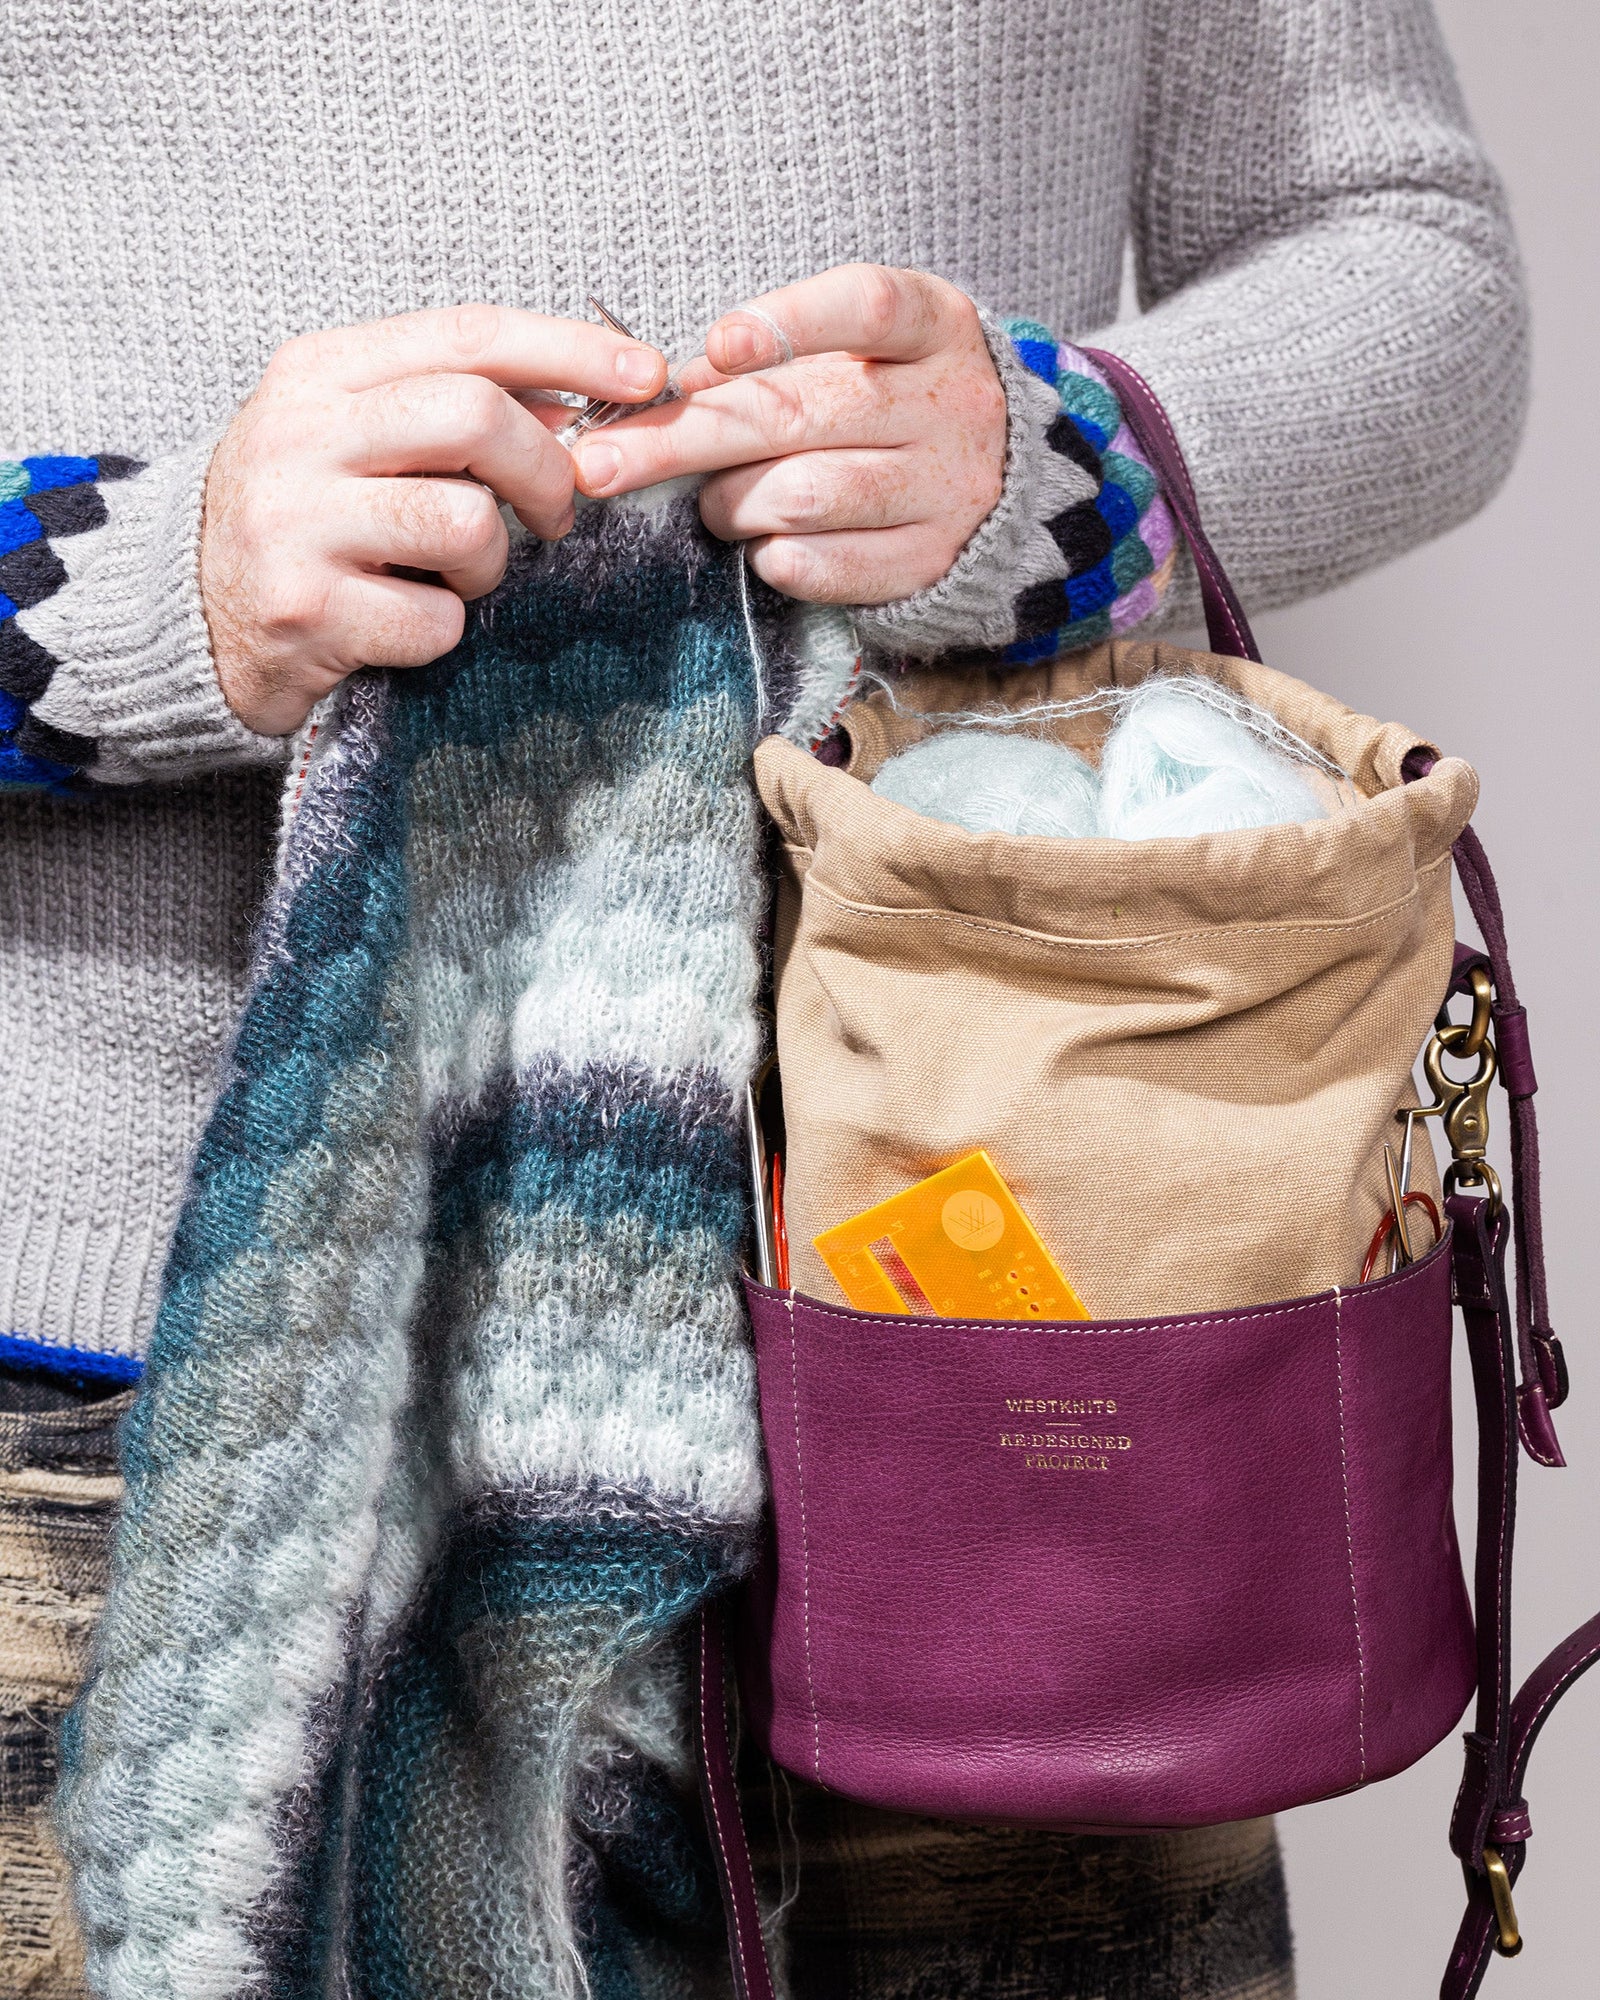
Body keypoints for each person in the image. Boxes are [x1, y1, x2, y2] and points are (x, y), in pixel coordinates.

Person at [0, 2, 1525, 1995]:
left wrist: (1064, 470)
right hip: (130, 1383)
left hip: (989, 1332)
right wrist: (122, 591)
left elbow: (1406, 254)